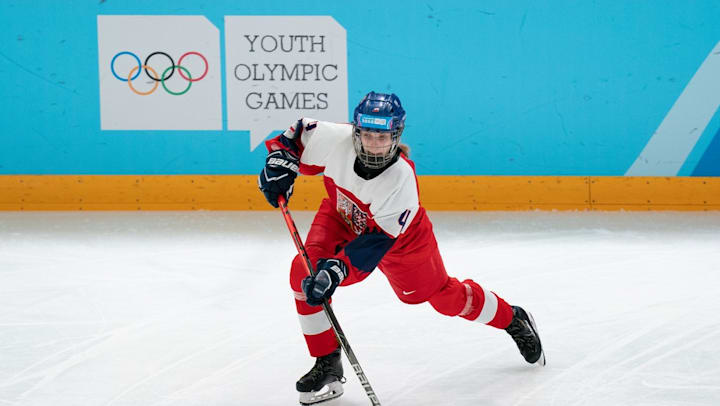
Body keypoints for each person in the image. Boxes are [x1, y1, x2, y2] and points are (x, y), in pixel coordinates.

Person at [258, 92, 545, 405]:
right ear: (356, 130)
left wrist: (336, 271)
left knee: (444, 298)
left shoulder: (401, 180)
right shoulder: (334, 138)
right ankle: (327, 362)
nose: (373, 143)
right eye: (367, 134)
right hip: (342, 213)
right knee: (303, 271)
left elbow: (372, 245)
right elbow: (293, 138)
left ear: (396, 136)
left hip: (401, 242)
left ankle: (512, 318)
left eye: (382, 136)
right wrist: (279, 164)